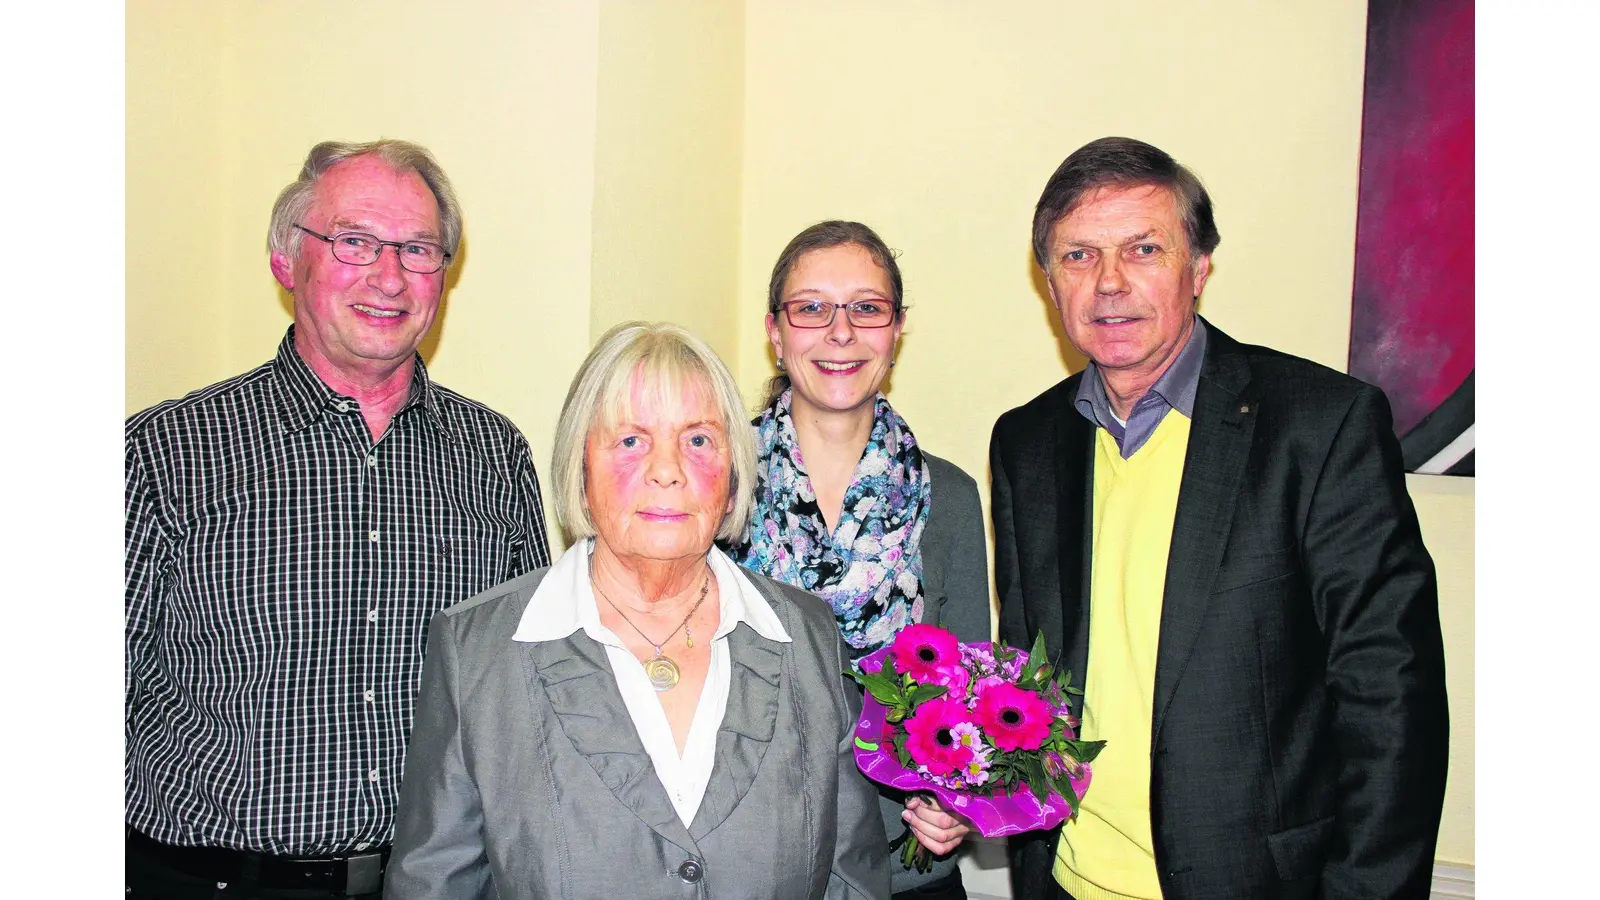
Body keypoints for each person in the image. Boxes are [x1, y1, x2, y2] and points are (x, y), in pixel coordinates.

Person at [990, 137, 1449, 900]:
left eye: (1143, 249)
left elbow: (1390, 700)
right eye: (1078, 256)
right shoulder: (1027, 442)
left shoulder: (1320, 427)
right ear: (1049, 283)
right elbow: (1027, 676)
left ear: (1198, 269)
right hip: (1064, 882)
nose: (1109, 284)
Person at [125, 139, 552, 899]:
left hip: (437, 883)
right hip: (213, 882)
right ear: (287, 261)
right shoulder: (165, 453)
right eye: (355, 241)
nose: (389, 276)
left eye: (419, 250)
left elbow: (527, 698)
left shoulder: (496, 456)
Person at [385, 321, 890, 899]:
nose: (667, 469)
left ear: (731, 476)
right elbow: (434, 884)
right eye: (631, 441)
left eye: (698, 440)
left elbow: (853, 881)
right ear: (582, 467)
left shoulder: (808, 634)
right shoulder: (475, 648)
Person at [730, 221, 988, 900]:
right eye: (811, 308)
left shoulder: (952, 498)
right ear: (775, 331)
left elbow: (972, 702)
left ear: (896, 329)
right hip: (751, 862)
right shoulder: (719, 487)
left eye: (866, 308)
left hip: (906, 872)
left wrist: (958, 801)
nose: (840, 333)